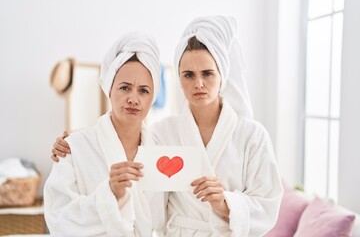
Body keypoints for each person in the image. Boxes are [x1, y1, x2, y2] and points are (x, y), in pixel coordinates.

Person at [52, 16, 283, 236]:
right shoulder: (162, 134)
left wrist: (225, 203)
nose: (199, 83)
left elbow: (268, 204)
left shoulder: (253, 135)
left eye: (208, 73)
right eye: (188, 75)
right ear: (179, 79)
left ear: (222, 74)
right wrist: (71, 144)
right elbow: (148, 208)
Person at [44, 31, 164, 236]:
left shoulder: (161, 150)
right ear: (109, 89)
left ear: (152, 96)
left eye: (143, 90)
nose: (134, 99)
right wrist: (109, 195)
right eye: (125, 88)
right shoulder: (74, 148)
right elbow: (57, 216)